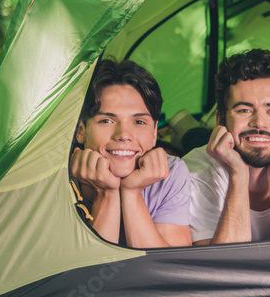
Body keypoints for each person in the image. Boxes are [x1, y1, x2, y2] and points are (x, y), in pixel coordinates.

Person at [183, 49, 270, 244]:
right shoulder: (193, 172)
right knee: (190, 135)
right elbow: (221, 267)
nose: (259, 123)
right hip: (206, 147)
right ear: (219, 119)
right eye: (244, 110)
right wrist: (238, 174)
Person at [70, 59, 192, 248]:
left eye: (139, 122)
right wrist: (106, 193)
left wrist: (132, 192)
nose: (124, 135)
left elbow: (170, 272)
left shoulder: (171, 172)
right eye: (107, 121)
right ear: (80, 130)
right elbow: (88, 274)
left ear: (154, 133)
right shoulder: (54, 179)